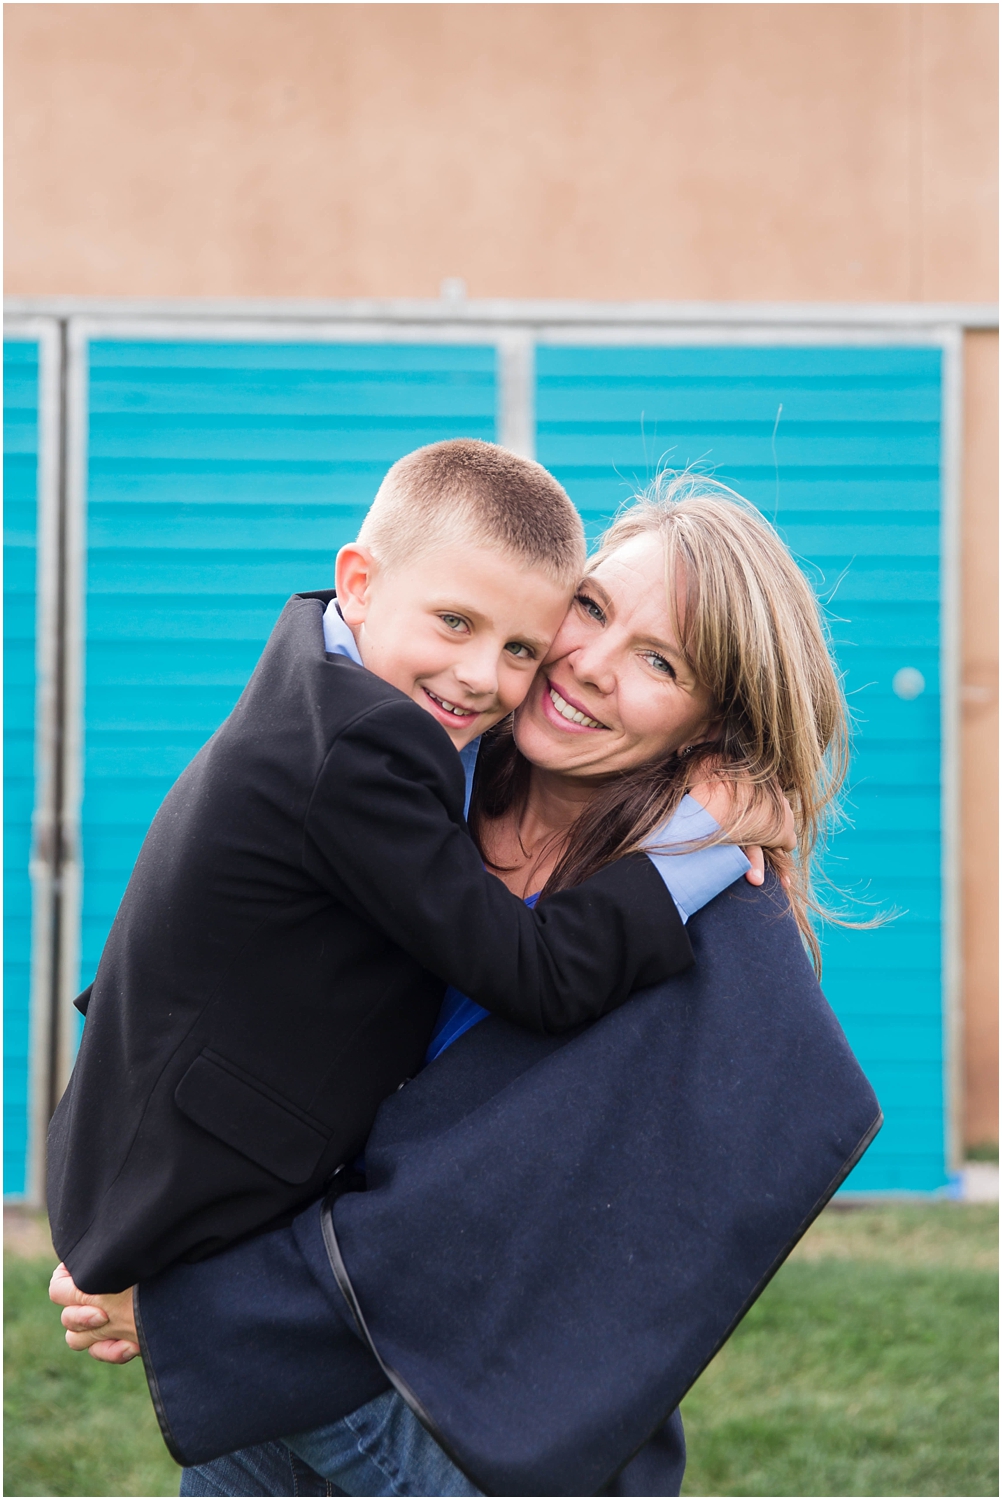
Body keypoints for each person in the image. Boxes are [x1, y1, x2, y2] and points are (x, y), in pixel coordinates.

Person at [51, 472, 873, 1500]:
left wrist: (197, 1315)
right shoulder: (422, 759)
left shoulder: (708, 925)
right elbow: (219, 969)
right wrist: (145, 1199)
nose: (590, 665)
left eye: (660, 661)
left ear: (708, 731)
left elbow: (567, 1239)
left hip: (464, 1414)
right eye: (591, 609)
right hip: (266, 1363)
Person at [48, 441, 780, 1297]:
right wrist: (703, 838)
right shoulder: (366, 748)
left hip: (162, 1142)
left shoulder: (326, 676)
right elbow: (538, 973)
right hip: (208, 1193)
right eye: (456, 623)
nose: (481, 677)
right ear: (359, 583)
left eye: (519, 647)